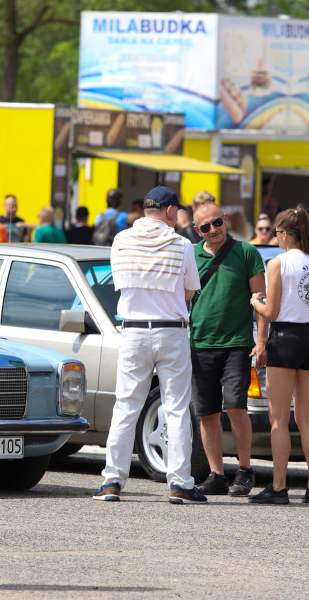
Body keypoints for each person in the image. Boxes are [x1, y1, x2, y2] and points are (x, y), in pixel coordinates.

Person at [93, 186, 204, 505]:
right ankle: (180, 482)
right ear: (170, 212)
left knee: (126, 405)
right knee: (177, 408)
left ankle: (112, 479)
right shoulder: (182, 244)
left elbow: (120, 286)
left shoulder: (121, 240)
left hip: (134, 332)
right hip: (171, 331)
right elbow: (188, 293)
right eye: (177, 211)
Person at [249, 206, 309, 505]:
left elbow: (270, 311)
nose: (275, 238)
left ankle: (279, 486)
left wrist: (255, 301)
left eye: (276, 233)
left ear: (284, 234)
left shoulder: (278, 262)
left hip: (285, 338)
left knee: (279, 418)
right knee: (306, 417)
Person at [190, 202, 267, 498]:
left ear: (225, 220)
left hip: (237, 343)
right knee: (207, 412)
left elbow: (259, 300)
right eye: (205, 227)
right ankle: (216, 474)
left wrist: (261, 342)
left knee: (236, 407)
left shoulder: (246, 252)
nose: (213, 230)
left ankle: (245, 470)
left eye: (217, 223)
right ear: (198, 230)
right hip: (200, 343)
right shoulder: (191, 254)